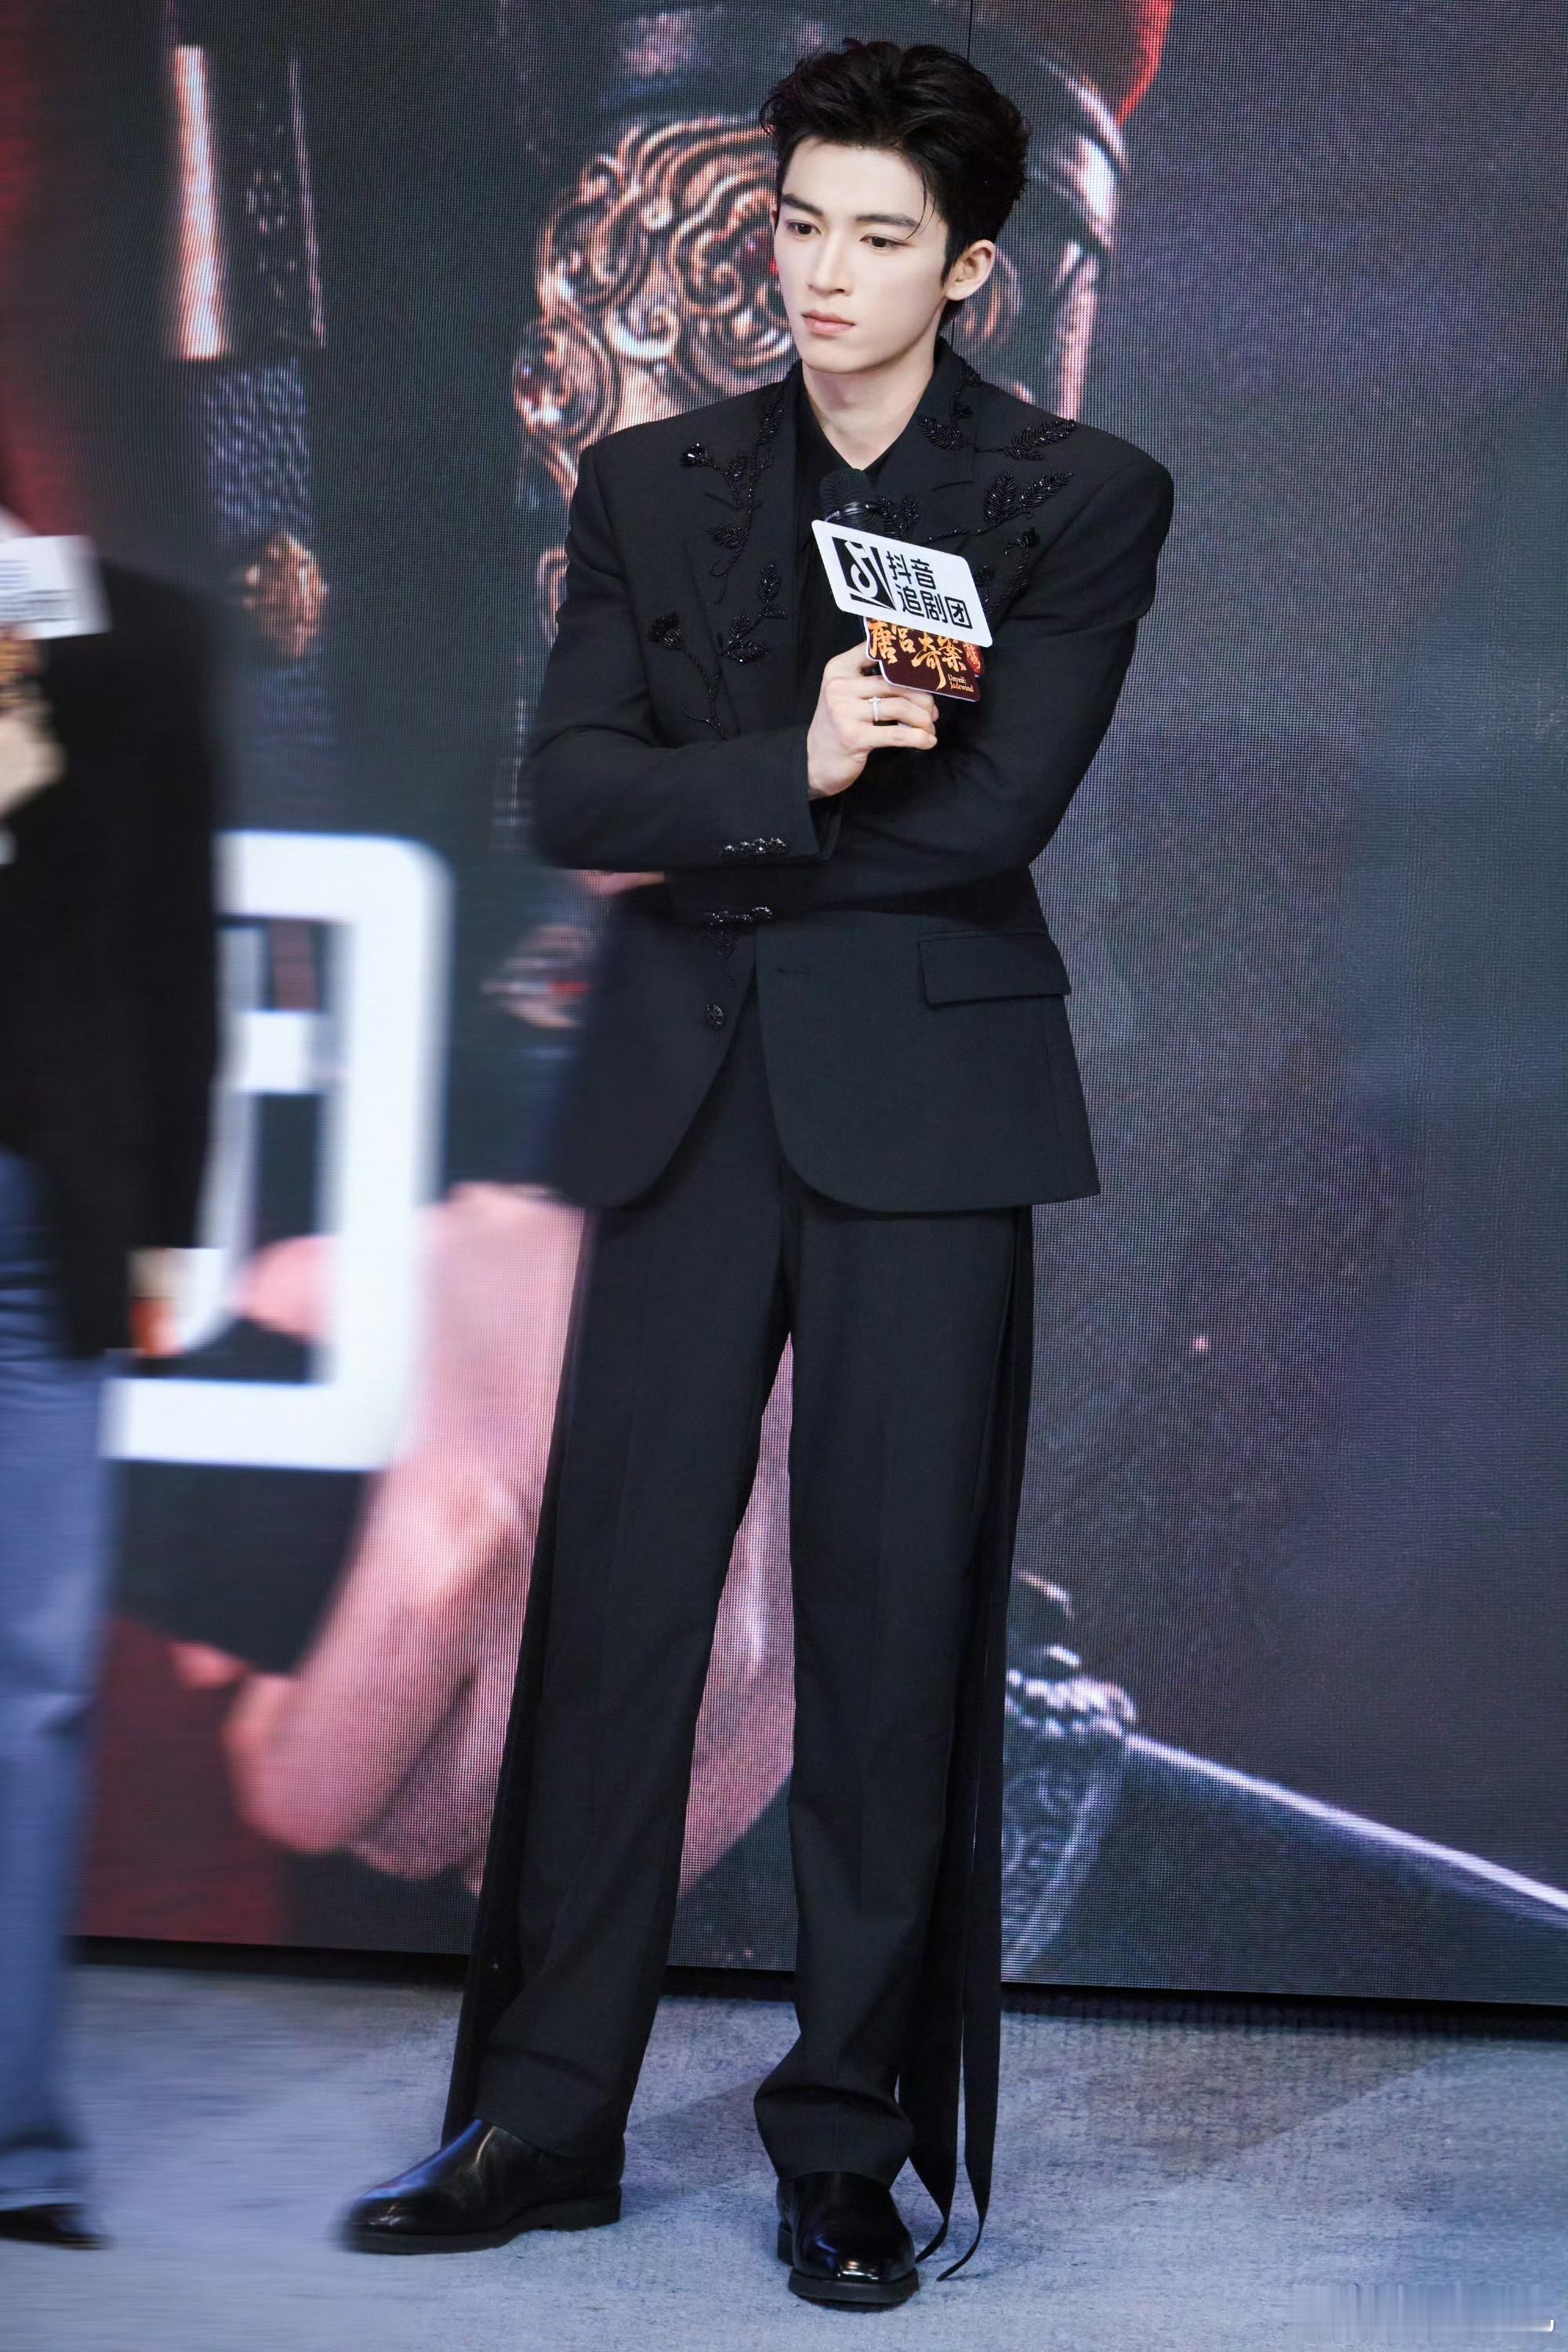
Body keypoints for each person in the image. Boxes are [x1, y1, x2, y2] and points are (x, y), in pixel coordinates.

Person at [343, 36, 1173, 2307]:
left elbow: (991, 818)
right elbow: (573, 795)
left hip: (923, 1112)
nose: (818, 272)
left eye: (877, 237)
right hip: (679, 1104)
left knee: (889, 1644)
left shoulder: (1074, 492)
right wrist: (797, 758)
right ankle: (542, 2119)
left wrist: (730, 795)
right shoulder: (655, 480)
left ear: (974, 268)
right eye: (801, 222)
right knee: (612, 1623)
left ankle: (845, 2148)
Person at [0, 503, 219, 2247]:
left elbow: (175, 951)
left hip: (44, 1228)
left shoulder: (130, 634)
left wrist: (167, 1225)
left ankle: (17, 2143)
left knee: (33, 1691)